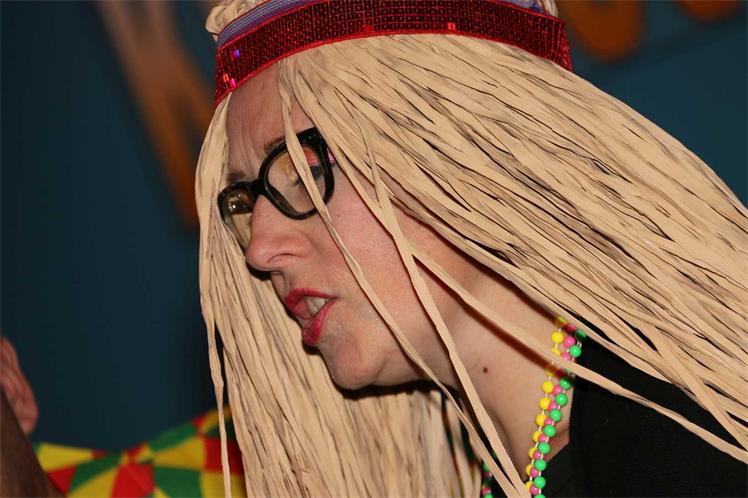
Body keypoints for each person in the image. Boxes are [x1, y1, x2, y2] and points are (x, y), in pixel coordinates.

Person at [195, 0, 747, 496]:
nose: (259, 249)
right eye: (245, 201)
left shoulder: (693, 441)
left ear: (452, 143)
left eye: (303, 171)